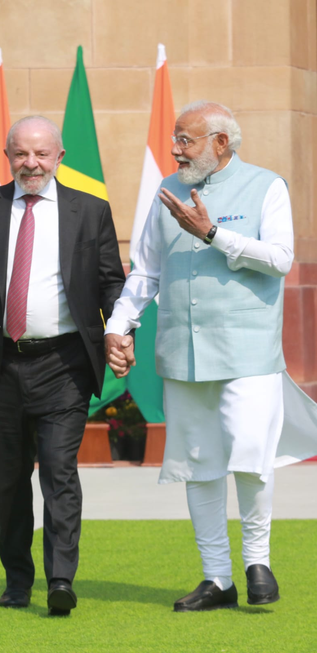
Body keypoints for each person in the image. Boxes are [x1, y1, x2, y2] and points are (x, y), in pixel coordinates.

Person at [0, 116, 125, 616]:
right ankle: (17, 580)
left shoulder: (90, 210)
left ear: (59, 157)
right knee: (9, 479)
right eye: (21, 154)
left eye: (41, 154)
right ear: (8, 156)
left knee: (59, 471)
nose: (31, 164)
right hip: (0, 365)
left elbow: (110, 282)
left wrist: (121, 330)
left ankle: (61, 581)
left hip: (65, 364)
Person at [105, 100, 295, 612]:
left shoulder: (266, 186)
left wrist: (213, 234)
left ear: (221, 142)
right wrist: (118, 325)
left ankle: (258, 562)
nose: (175, 149)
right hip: (182, 352)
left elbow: (281, 259)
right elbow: (146, 270)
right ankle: (217, 578)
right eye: (176, 139)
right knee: (198, 463)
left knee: (252, 455)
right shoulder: (166, 192)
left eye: (186, 140)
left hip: (248, 351)